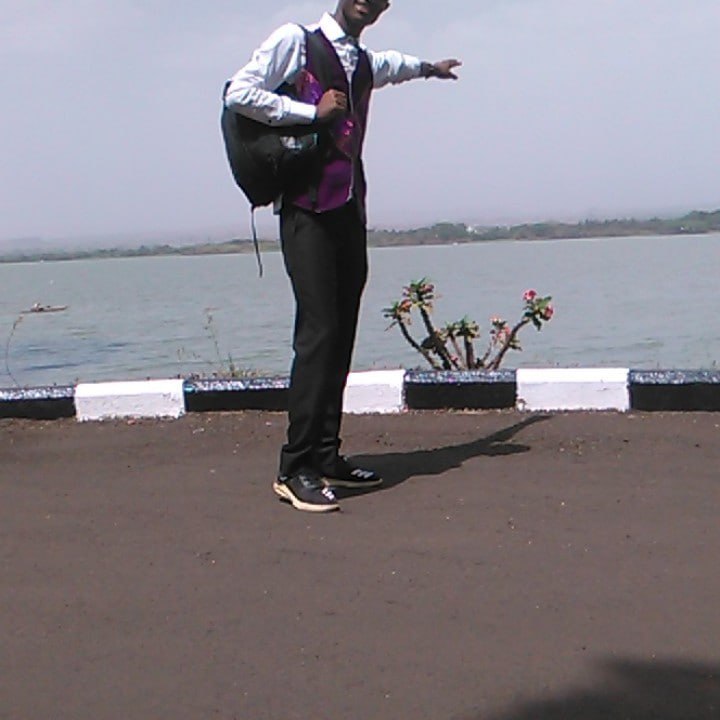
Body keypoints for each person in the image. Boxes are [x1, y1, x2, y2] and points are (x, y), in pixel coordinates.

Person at [224, 0, 461, 513]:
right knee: (319, 333)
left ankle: (326, 456)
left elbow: (393, 65)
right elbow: (239, 93)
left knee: (342, 332)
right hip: (306, 210)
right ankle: (295, 468)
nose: (368, 1)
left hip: (348, 209)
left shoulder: (363, 61)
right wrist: (310, 114)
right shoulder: (297, 41)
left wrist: (429, 68)